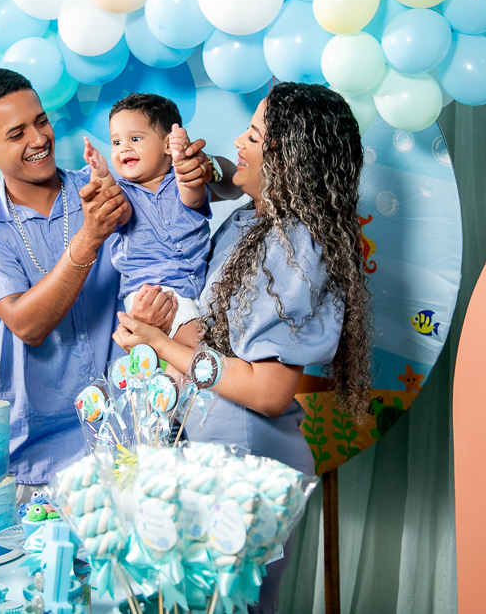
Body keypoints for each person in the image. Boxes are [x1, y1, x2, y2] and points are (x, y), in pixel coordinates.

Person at [114, 82, 372, 613]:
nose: (238, 142)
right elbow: (214, 341)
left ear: (286, 159)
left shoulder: (296, 246)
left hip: (248, 455)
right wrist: (162, 327)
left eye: (253, 136)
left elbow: (268, 392)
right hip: (208, 447)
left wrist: (161, 343)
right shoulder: (247, 223)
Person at [0, 69, 217, 494]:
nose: (39, 139)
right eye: (17, 133)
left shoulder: (112, 189)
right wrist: (90, 236)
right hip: (40, 453)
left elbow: (182, 199)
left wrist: (205, 167)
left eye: (41, 121)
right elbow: (26, 325)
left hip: (135, 441)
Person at [83, 93, 214, 338]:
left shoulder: (182, 181)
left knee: (207, 345)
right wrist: (101, 176)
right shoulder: (123, 192)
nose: (124, 148)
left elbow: (194, 198)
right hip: (154, 292)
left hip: (198, 285)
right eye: (116, 142)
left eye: (135, 139)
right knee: (198, 344)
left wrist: (182, 160)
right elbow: (119, 213)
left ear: (168, 145)